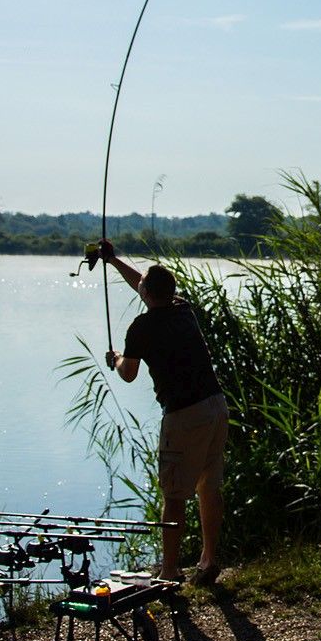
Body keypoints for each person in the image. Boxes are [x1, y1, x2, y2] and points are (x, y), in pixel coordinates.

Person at [99, 240, 228, 585]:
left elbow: (128, 373)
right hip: (216, 405)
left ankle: (170, 571)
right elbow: (145, 282)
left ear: (146, 292)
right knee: (208, 488)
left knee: (173, 495)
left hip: (184, 415)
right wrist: (113, 261)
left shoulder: (141, 328)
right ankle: (208, 561)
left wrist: (116, 359)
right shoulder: (182, 308)